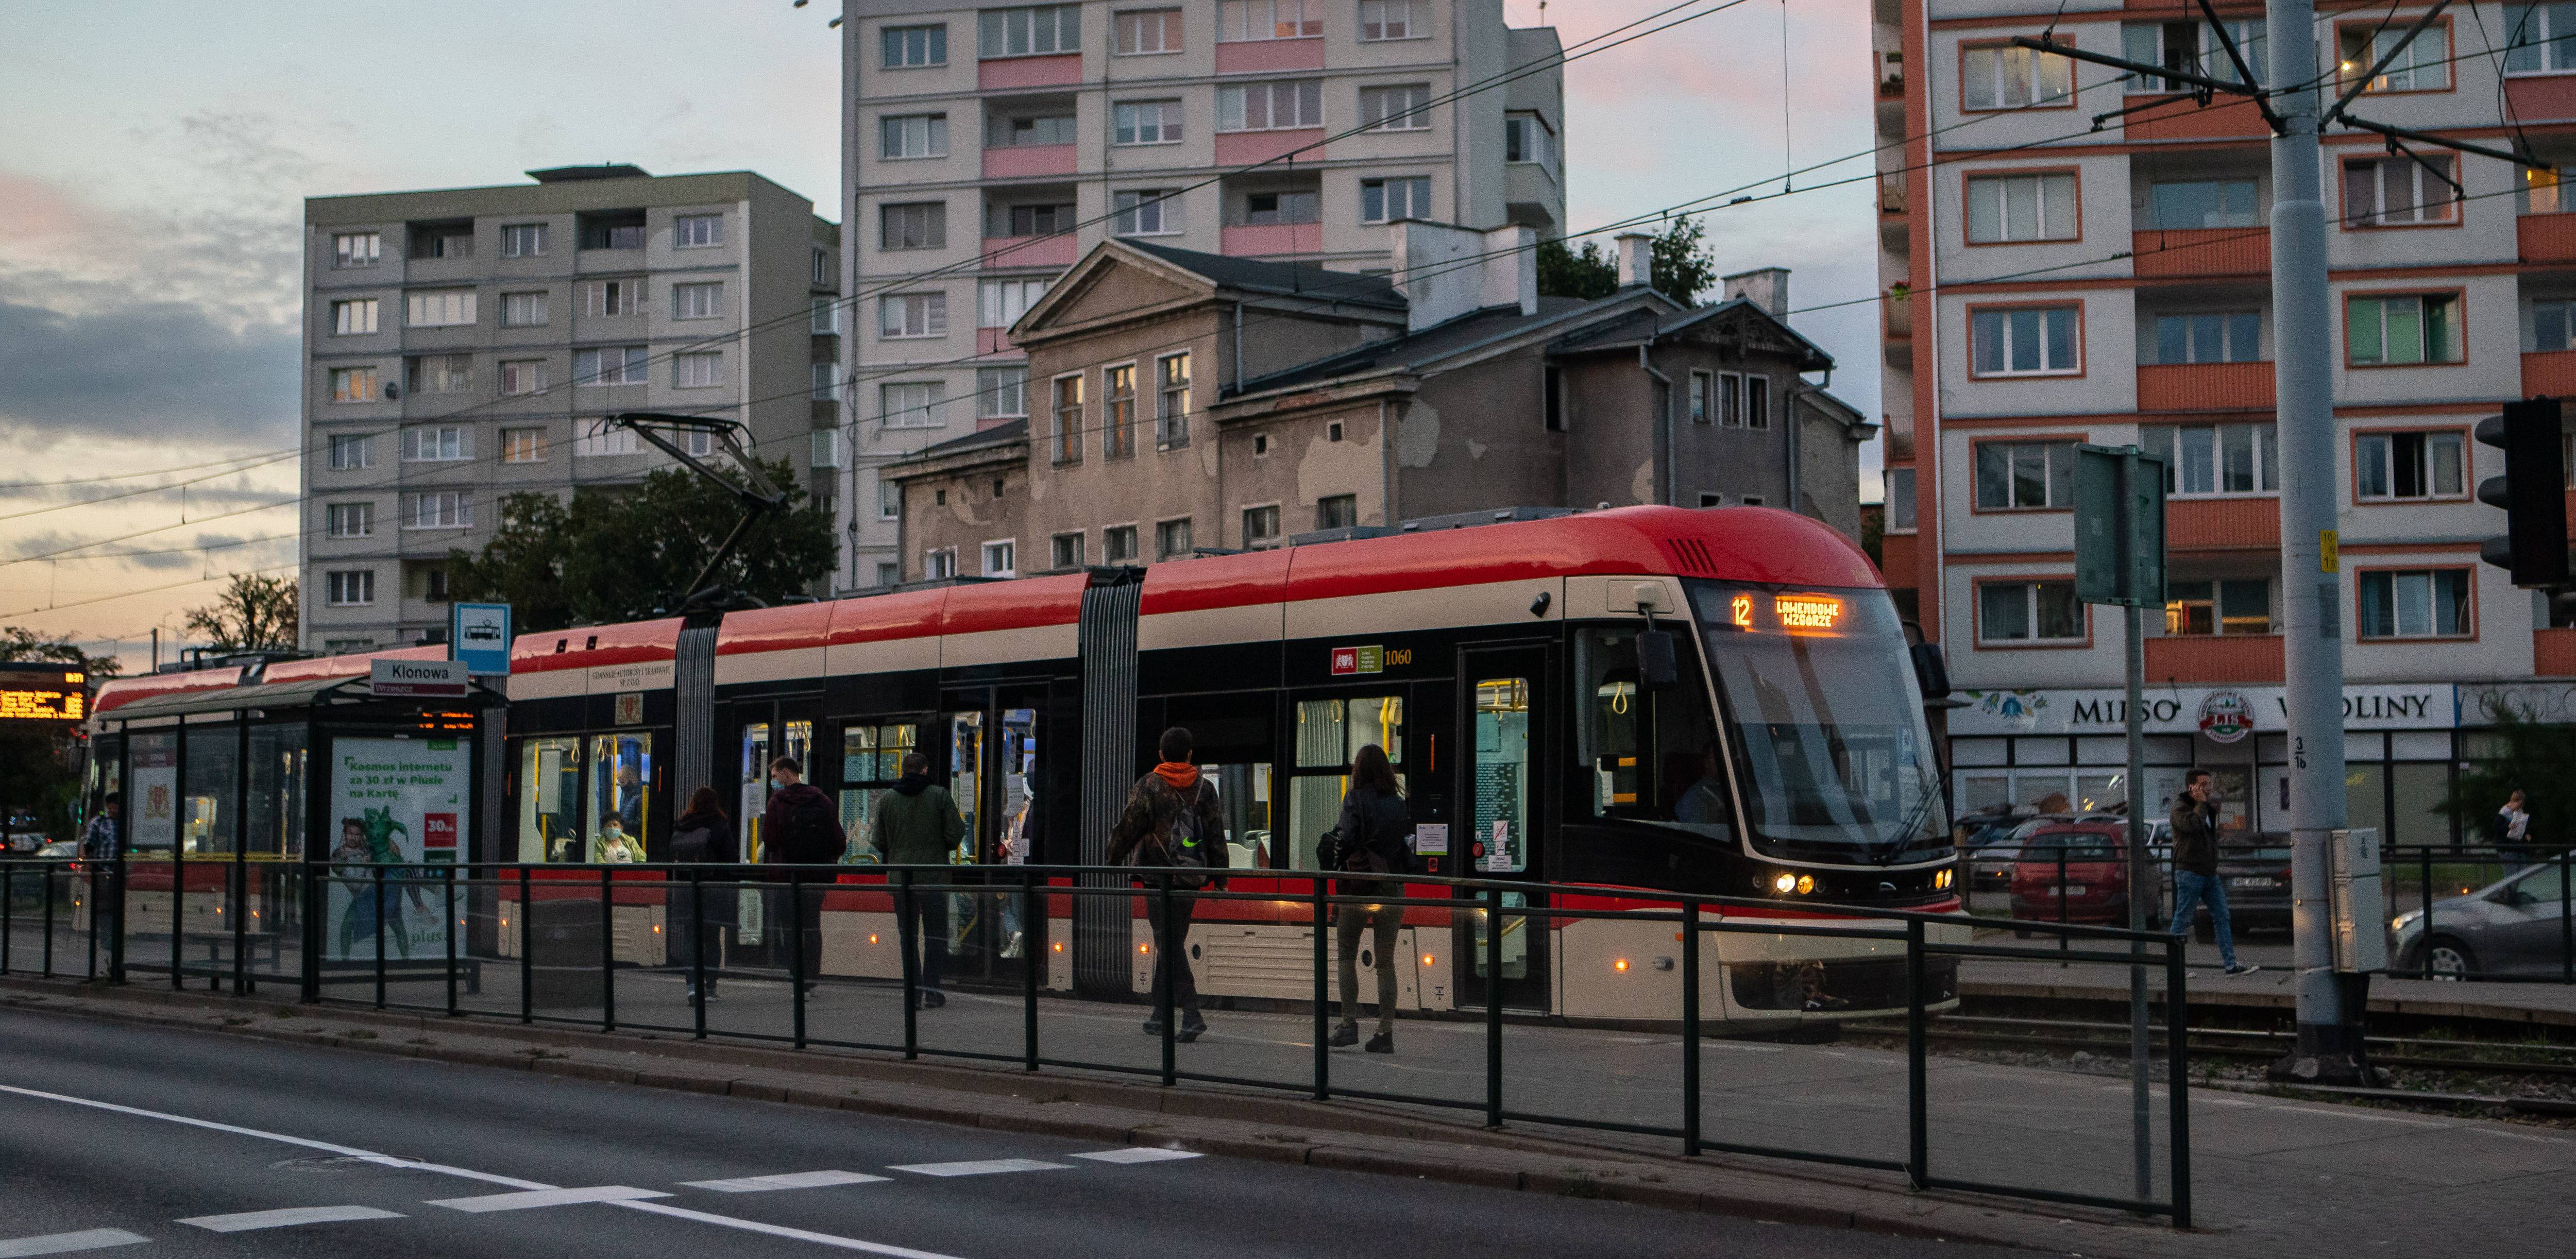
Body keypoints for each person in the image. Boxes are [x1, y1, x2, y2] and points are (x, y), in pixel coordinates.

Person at [1107, 726, 1229, 1043]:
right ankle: (1160, 1015)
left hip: (1158, 877)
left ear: (1161, 754)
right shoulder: (1205, 788)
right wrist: (1220, 879)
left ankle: (1191, 1013)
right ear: (1190, 755)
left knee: (1168, 943)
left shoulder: (1149, 785)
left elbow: (1129, 826)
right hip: (1190, 878)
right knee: (1171, 940)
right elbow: (1216, 835)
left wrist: (1110, 861)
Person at [1329, 743, 1411, 1054]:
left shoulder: (1355, 798)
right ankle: (1384, 1033)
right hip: (1392, 886)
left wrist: (1338, 855)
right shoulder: (1398, 803)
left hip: (1359, 886)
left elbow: (1346, 839)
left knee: (1346, 954)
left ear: (1358, 770)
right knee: (1386, 962)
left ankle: (1349, 1025)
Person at [873, 752, 969, 1008]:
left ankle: (912, 995)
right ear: (925, 770)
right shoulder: (939, 796)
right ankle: (933, 991)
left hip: (901, 880)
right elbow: (955, 833)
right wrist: (939, 846)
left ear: (903, 770)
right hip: (934, 877)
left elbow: (879, 842)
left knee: (908, 938)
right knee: (936, 936)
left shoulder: (888, 799)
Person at [2167, 769, 2258, 977]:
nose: (2209, 788)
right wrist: (2201, 805)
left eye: (2209, 784)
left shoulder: (2206, 808)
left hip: (2209, 872)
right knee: (2183, 918)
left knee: (2222, 915)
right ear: (2193, 787)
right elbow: (2193, 826)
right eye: (2204, 785)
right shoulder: (2180, 809)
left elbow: (2206, 833)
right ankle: (2175, 968)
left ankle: (2231, 965)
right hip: (2189, 871)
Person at [760, 756, 840, 988]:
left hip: (786, 877)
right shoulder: (823, 801)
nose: (773, 782)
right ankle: (812, 979)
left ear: (786, 773)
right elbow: (838, 839)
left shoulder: (776, 802)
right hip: (815, 877)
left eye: (774, 776)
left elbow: (770, 839)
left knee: (789, 928)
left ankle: (796, 976)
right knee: (812, 928)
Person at [669, 786, 738, 1003]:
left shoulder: (682, 824)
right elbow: (732, 858)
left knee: (691, 938)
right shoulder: (720, 825)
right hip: (714, 888)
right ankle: (710, 988)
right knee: (712, 938)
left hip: (686, 889)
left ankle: (692, 986)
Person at [2499, 789, 2534, 871]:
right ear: (2514, 801)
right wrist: (2508, 827)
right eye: (2519, 804)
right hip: (2508, 849)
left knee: (2522, 875)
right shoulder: (2503, 814)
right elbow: (2498, 830)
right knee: (2511, 875)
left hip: (2520, 848)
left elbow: (2523, 826)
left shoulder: (2520, 812)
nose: (2520, 807)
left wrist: (2526, 834)